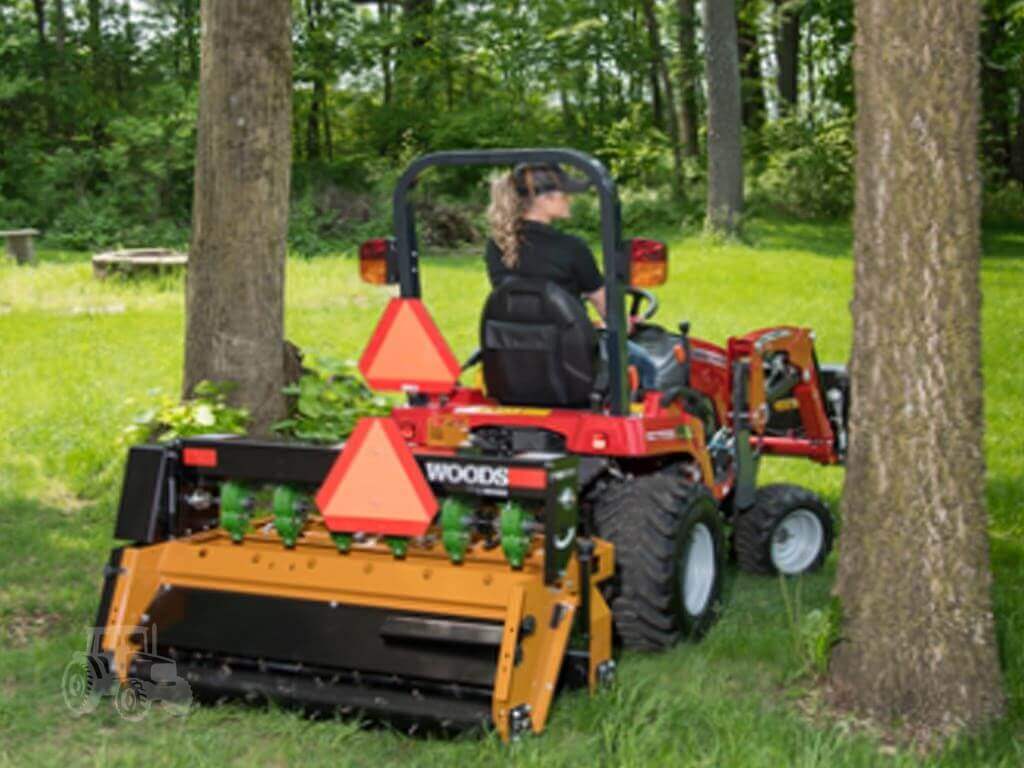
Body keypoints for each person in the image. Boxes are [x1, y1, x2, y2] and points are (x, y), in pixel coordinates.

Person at [484, 163, 658, 391]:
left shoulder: (497, 245)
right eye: (565, 193)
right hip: (571, 359)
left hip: (513, 355)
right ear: (545, 199)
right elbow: (608, 310)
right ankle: (647, 409)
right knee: (645, 362)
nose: (570, 199)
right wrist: (626, 323)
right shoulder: (571, 248)